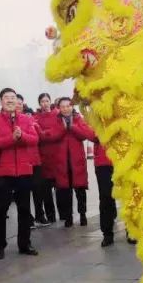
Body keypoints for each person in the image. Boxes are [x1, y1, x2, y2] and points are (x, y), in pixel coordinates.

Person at [0, 88, 40, 260]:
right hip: (2, 171)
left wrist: (21, 136)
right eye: (6, 98)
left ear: (17, 101)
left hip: (24, 170)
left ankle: (25, 244)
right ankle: (0, 246)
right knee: (1, 209)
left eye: (13, 98)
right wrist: (12, 138)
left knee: (24, 209)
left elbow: (35, 139)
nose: (10, 100)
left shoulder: (26, 119)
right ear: (0, 101)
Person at [44, 97, 94, 227]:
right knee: (65, 191)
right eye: (63, 106)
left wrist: (72, 127)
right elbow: (52, 136)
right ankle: (68, 217)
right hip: (62, 162)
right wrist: (63, 129)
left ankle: (82, 214)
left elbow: (84, 135)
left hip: (76, 161)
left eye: (68, 106)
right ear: (59, 108)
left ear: (72, 107)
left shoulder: (78, 119)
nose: (66, 108)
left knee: (80, 189)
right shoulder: (56, 120)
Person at [32, 93, 58, 226]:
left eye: (47, 101)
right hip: (43, 156)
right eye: (42, 101)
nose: (45, 103)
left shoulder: (57, 114)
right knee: (46, 189)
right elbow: (38, 136)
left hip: (57, 155)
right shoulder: (36, 118)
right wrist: (47, 134)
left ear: (50, 101)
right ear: (39, 103)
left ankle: (65, 214)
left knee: (61, 188)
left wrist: (45, 133)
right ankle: (50, 215)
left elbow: (58, 132)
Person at [94, 142, 118, 247]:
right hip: (104, 162)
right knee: (105, 197)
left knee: (128, 197)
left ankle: (131, 231)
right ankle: (107, 234)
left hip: (123, 158)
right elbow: (89, 132)